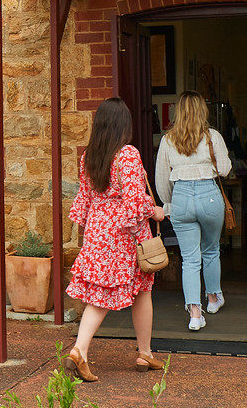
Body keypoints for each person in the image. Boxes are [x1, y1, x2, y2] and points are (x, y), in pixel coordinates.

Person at [62, 97, 169, 382]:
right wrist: (155, 211)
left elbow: (84, 199)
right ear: (124, 124)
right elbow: (135, 201)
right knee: (111, 294)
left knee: (134, 289)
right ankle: (80, 350)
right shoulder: (127, 155)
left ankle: (144, 352)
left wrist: (91, 231)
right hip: (123, 234)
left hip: (98, 230)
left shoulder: (89, 156)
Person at [154, 90, 233, 331]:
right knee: (210, 250)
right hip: (209, 195)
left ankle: (195, 314)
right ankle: (212, 299)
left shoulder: (168, 140)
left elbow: (161, 180)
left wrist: (169, 205)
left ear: (179, 112)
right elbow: (226, 169)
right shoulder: (213, 137)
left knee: (189, 259)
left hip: (181, 198)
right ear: (202, 111)